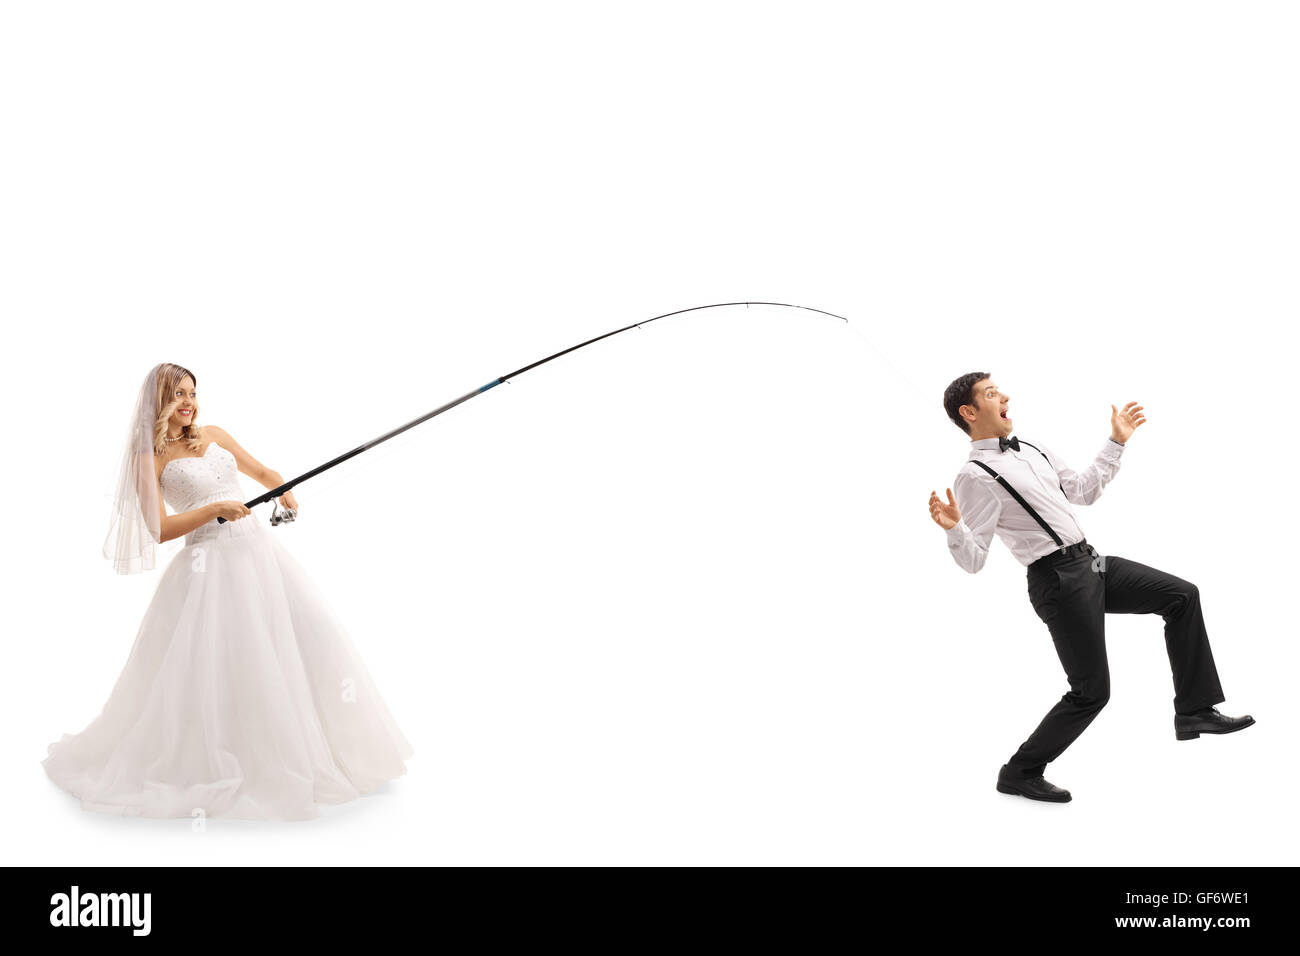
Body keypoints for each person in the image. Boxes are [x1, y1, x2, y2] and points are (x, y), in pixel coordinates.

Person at [42, 363, 413, 820]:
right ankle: (229, 761)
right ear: (158, 401)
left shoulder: (213, 433)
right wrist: (213, 509)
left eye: (193, 393)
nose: (188, 402)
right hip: (208, 567)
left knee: (302, 641)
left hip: (259, 556)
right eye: (178, 394)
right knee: (227, 660)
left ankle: (324, 752)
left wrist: (282, 491)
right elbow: (159, 529)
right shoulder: (149, 457)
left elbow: (261, 470)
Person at [928, 372, 1253, 803]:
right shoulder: (974, 476)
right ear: (969, 413)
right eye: (991, 394)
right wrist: (954, 530)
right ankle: (1020, 771)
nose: (1004, 395)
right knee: (1091, 693)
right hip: (1057, 579)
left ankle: (1194, 711)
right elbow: (974, 559)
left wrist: (1116, 442)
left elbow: (1082, 491)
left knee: (1181, 595)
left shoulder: (1032, 446)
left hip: (1092, 560)